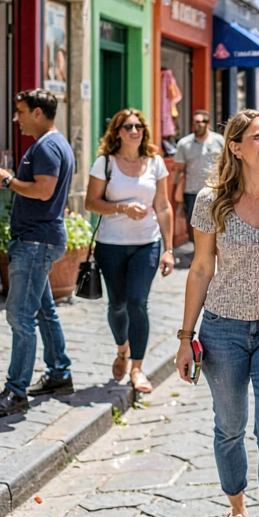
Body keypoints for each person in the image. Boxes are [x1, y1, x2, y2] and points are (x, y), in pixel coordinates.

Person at [175, 110, 259, 517]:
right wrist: (185, 337)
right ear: (235, 147)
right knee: (229, 427)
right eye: (258, 136)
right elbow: (201, 268)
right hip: (222, 329)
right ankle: (237, 508)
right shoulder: (210, 200)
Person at [0, 89, 77, 418]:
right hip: (42, 238)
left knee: (20, 316)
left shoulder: (47, 146)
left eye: (20, 111)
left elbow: (44, 189)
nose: (16, 118)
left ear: (38, 113)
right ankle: (59, 374)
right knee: (42, 310)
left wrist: (7, 181)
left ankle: (15, 391)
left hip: (35, 241)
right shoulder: (56, 143)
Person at [85, 109, 174, 394]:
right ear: (117, 132)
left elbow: (163, 205)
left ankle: (137, 368)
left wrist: (169, 249)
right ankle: (122, 348)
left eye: (138, 126)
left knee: (138, 303)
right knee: (117, 305)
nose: (134, 131)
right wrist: (122, 208)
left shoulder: (155, 163)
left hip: (147, 243)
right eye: (128, 126)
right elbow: (91, 202)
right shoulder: (104, 164)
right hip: (111, 245)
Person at [173, 110, 226, 244]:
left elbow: (227, 163)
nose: (201, 124)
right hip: (192, 192)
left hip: (216, 190)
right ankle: (197, 253)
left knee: (217, 222)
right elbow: (179, 170)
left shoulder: (219, 141)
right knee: (195, 224)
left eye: (204, 121)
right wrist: (176, 195)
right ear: (193, 124)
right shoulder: (184, 144)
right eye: (197, 121)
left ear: (209, 123)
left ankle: (214, 252)